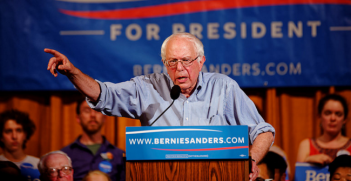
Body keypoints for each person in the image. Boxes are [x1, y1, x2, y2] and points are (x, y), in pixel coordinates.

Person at [45, 32, 275, 181]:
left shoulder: (224, 88)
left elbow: (263, 131)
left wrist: (251, 158)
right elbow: (104, 95)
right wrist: (73, 74)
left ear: (201, 61)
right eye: (172, 62)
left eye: (186, 60)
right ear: (164, 64)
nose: (179, 68)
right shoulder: (147, 88)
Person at [61, 97, 125, 181]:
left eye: (97, 110)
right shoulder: (65, 156)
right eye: (87, 110)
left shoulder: (120, 155)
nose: (93, 115)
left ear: (104, 118)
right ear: (78, 118)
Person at [296, 94, 351, 166]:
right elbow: (299, 175)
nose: (333, 118)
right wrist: (308, 160)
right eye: (328, 113)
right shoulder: (306, 145)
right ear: (319, 117)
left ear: (345, 119)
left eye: (338, 114)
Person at [0, 109, 40, 180]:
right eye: (9, 131)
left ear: (25, 134)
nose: (14, 136)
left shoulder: (38, 164)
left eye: (18, 130)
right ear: (1, 136)